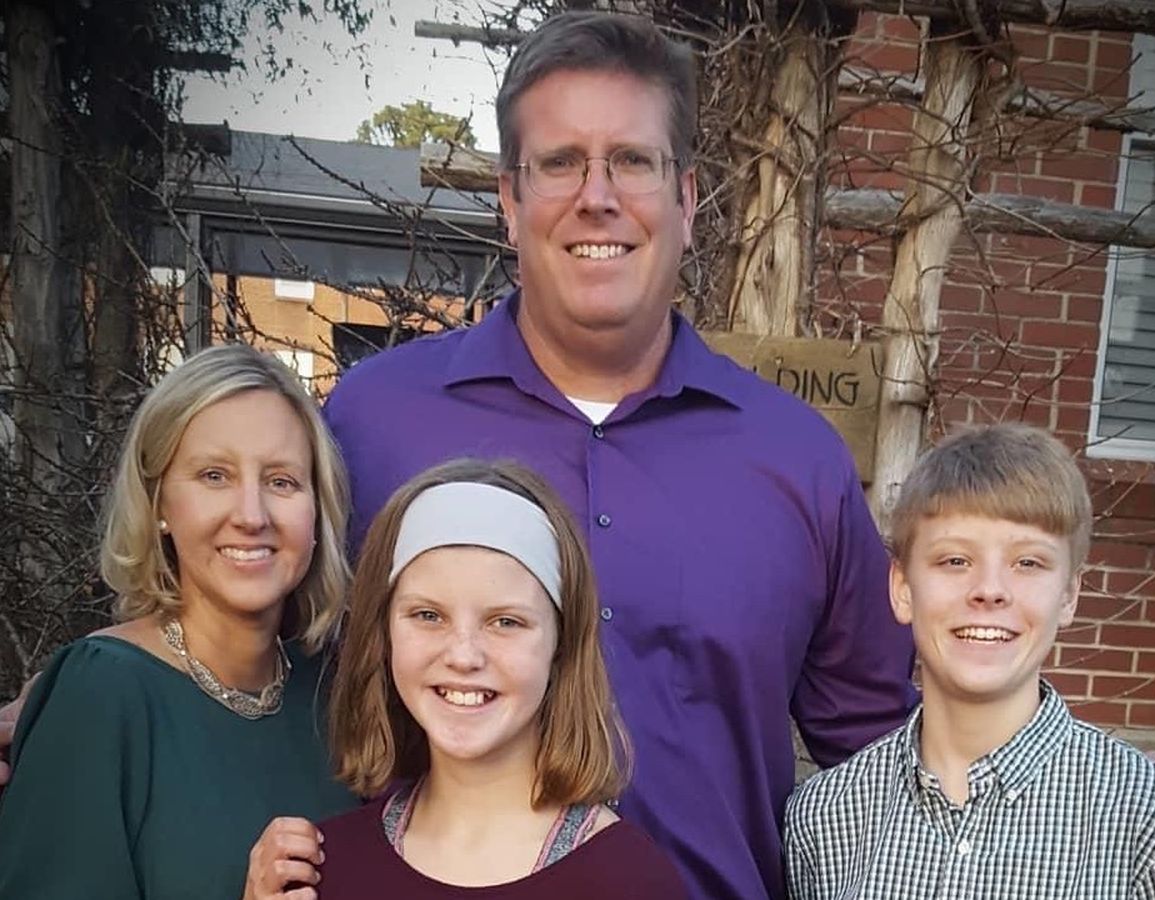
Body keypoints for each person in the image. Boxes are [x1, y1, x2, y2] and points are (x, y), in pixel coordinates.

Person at [0, 13, 915, 900]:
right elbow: (251, 615)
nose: (597, 195)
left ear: (685, 199)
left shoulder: (798, 460)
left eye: (633, 161)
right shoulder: (372, 421)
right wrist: (85, 702)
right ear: (510, 202)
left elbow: (887, 763)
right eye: (560, 162)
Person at [0, 345, 359, 899]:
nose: (252, 515)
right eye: (214, 476)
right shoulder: (100, 693)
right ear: (159, 503)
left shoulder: (330, 694)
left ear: (318, 510)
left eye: (282, 481)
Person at [784, 424, 1155, 899]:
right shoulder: (823, 819)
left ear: (1068, 595)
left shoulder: (1154, 819)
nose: (989, 590)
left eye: (1028, 563)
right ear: (902, 589)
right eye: (955, 561)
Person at [244, 458, 687, 899]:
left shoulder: (628, 881)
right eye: (428, 615)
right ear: (384, 633)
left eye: (506, 622)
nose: (463, 655)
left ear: (561, 644)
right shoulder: (321, 869)